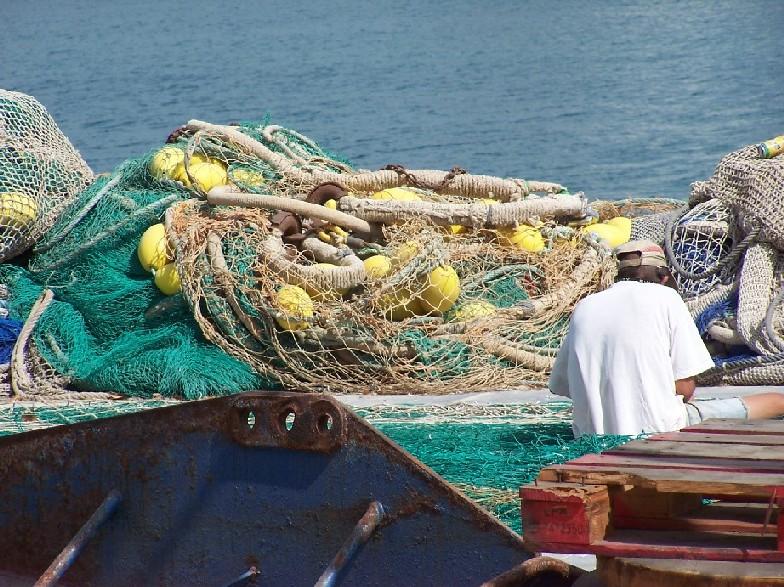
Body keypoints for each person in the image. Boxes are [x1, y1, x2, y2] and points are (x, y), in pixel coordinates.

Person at [549, 239, 784, 437]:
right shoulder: (666, 298)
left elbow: (562, 386)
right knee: (776, 401)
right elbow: (684, 388)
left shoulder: (585, 306)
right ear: (663, 277)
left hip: (591, 437)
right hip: (659, 430)